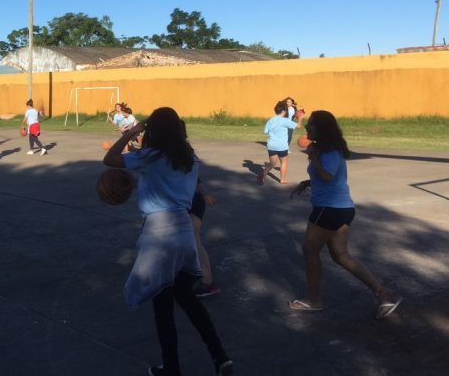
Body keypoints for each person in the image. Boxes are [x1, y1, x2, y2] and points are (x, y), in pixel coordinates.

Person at [104, 107, 232, 376]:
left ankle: (171, 369)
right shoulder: (189, 159)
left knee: (162, 308)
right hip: (183, 230)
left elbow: (110, 158)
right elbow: (168, 186)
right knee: (187, 298)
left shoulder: (150, 156)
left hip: (159, 235)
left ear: (153, 131)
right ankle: (219, 356)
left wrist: (132, 132)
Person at [289, 110, 401, 319]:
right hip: (340, 208)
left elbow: (328, 176)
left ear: (322, 128)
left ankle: (313, 301)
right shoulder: (326, 150)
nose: (306, 127)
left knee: (309, 250)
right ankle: (383, 294)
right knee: (340, 255)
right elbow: (326, 177)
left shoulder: (328, 151)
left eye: (310, 124)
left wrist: (312, 155)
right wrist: (308, 183)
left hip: (328, 209)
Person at [258, 100, 302, 185]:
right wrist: (300, 118)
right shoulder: (285, 121)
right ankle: (282, 179)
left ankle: (262, 175)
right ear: (284, 111)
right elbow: (299, 126)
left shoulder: (271, 120)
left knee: (272, 163)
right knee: (284, 162)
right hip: (282, 146)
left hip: (272, 145)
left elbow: (266, 131)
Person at [191, 181, 221, 298]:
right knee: (192, 239)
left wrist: (203, 192)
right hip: (193, 198)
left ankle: (208, 282)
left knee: (193, 240)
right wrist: (204, 192)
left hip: (186, 200)